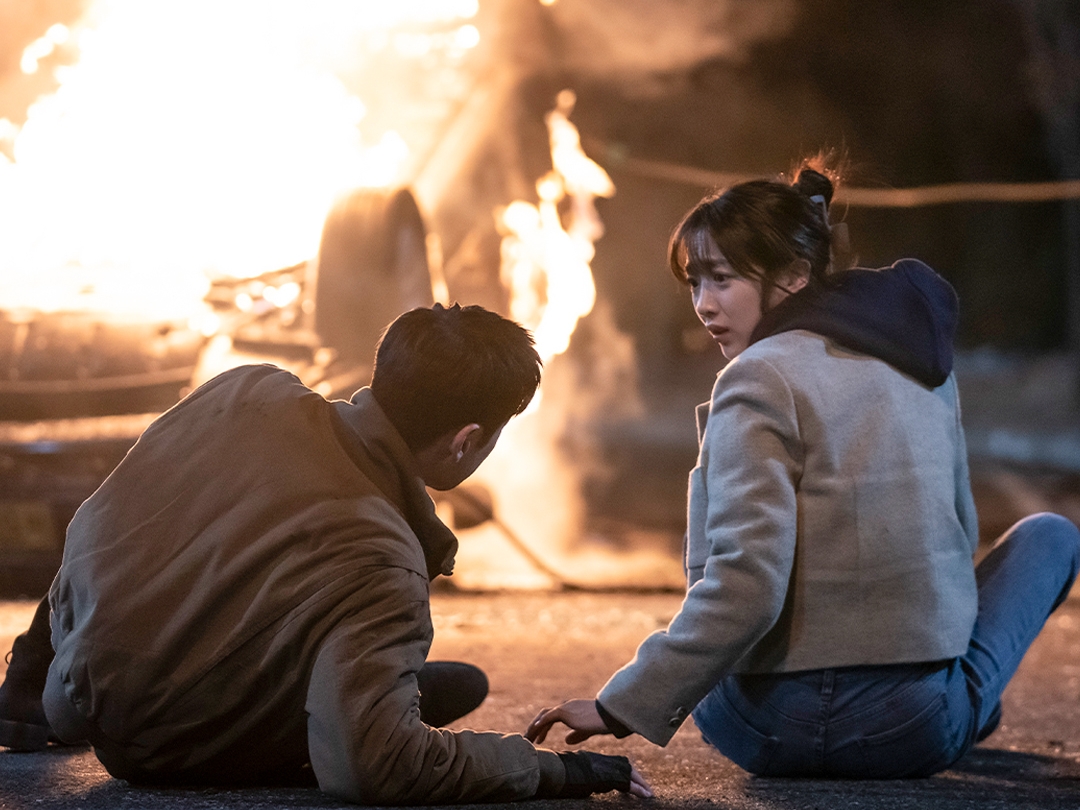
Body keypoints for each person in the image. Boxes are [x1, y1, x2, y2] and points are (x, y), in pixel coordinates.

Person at [526, 163, 1080, 778]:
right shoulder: (926, 363)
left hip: (764, 731)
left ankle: (962, 706)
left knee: (717, 652)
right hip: (910, 729)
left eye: (724, 279)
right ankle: (965, 705)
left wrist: (620, 705)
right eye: (696, 282)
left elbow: (745, 586)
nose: (705, 305)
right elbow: (957, 539)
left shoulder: (757, 375)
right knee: (1049, 537)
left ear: (793, 276)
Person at [0, 303, 651, 803]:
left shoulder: (246, 390)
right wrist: (558, 772)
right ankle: (351, 703)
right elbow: (370, 766)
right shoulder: (382, 556)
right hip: (162, 751)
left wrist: (34, 665)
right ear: (466, 440)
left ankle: (33, 696)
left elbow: (103, 520)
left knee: (448, 684)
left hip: (73, 691)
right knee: (407, 714)